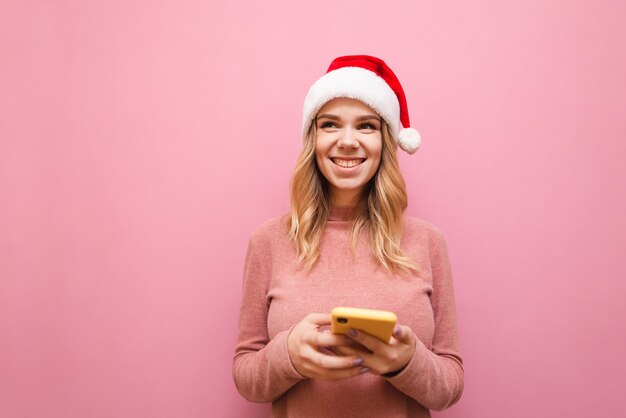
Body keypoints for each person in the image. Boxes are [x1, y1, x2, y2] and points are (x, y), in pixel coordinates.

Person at [232, 55, 463, 417]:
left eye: (367, 126)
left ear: (385, 140)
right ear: (313, 137)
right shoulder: (268, 241)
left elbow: (450, 384)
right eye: (331, 124)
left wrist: (407, 361)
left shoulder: (427, 242)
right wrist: (288, 353)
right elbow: (246, 375)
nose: (348, 141)